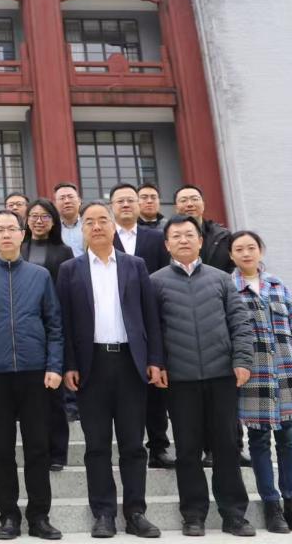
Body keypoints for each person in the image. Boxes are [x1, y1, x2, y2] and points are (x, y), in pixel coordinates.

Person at [55, 202, 163, 539]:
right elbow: (64, 322)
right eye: (90, 222)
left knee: (133, 444)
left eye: (103, 220)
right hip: (91, 366)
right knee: (96, 445)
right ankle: (103, 513)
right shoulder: (69, 270)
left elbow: (150, 316)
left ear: (114, 226)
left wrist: (155, 359)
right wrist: (69, 365)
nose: (97, 226)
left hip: (131, 363)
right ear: (82, 230)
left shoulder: (135, 265)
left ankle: (135, 512)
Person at [152, 215, 255, 537]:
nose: (183, 240)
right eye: (176, 236)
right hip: (179, 380)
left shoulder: (221, 279)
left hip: (221, 375)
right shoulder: (155, 282)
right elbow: (152, 331)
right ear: (167, 244)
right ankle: (193, 514)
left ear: (199, 241)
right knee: (187, 449)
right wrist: (158, 364)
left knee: (226, 446)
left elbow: (240, 323)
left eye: (189, 235)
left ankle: (234, 515)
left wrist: (242, 360)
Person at [0, 210, 63, 541]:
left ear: (22, 235)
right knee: (2, 449)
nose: (7, 234)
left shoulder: (40, 275)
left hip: (35, 373)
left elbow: (54, 324)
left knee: (38, 447)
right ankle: (8, 514)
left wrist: (54, 366)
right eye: (0, 229)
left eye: (12, 228)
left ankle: (39, 516)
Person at [229, 231, 292, 534]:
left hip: (286, 373)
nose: (246, 253)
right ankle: (271, 508)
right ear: (231, 255)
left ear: (260, 251)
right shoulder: (228, 288)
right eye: (239, 249)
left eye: (251, 247)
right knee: (259, 442)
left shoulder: (277, 285)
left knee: (289, 441)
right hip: (253, 378)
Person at [109, 184, 173, 470]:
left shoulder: (156, 238)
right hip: (115, 324)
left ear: (138, 205)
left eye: (130, 200)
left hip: (150, 319)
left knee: (155, 390)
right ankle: (130, 447)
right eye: (119, 201)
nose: (125, 205)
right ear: (112, 207)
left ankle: (159, 447)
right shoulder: (104, 236)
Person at [19, 198, 76, 474]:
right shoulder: (19, 248)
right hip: (25, 329)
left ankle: (58, 452)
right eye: (34, 216)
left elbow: (68, 291)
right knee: (30, 396)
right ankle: (37, 449)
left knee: (54, 396)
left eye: (44, 216)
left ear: (53, 221)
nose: (39, 221)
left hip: (52, 326)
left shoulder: (64, 251)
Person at [173, 185, 232, 272]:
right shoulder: (166, 237)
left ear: (203, 204)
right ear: (176, 207)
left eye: (195, 199)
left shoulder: (223, 236)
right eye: (183, 200)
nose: (189, 204)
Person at [53, 183, 84, 257]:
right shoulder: (52, 229)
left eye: (70, 197)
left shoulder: (90, 225)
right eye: (62, 198)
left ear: (79, 201)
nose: (67, 201)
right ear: (55, 204)